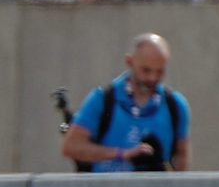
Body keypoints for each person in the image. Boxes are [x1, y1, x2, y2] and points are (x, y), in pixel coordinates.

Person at [62, 33, 191, 172]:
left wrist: (167, 174)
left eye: (160, 72)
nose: (152, 78)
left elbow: (182, 153)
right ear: (130, 62)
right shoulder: (103, 100)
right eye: (146, 70)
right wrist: (121, 154)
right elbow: (71, 147)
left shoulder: (175, 105)